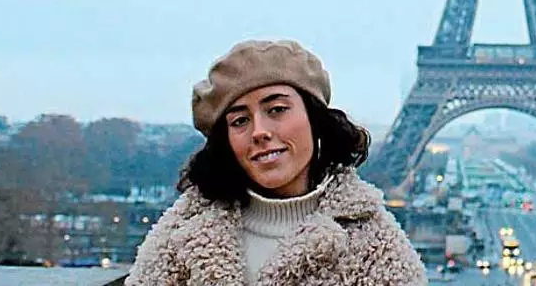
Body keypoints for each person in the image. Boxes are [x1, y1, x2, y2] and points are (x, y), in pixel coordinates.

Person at [126, 39, 426, 286]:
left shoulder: (377, 249)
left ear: (314, 119)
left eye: (277, 109)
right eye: (240, 121)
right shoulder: (177, 237)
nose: (259, 132)